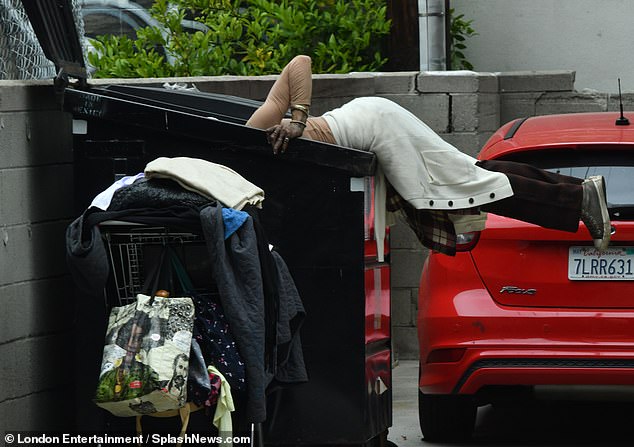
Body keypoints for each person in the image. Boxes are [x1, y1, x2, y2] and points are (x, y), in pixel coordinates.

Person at [246, 55, 611, 255]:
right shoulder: (251, 181)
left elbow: (300, 62)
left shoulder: (251, 133)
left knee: (468, 184)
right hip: (375, 121)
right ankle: (578, 192)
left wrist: (297, 121)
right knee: (473, 172)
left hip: (376, 127)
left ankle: (578, 199)